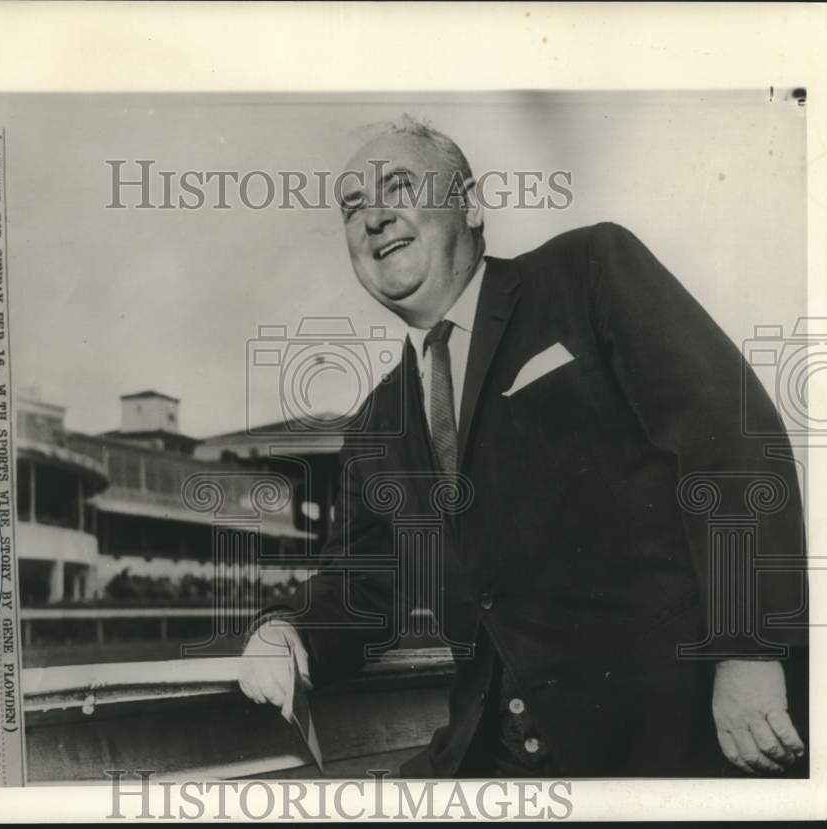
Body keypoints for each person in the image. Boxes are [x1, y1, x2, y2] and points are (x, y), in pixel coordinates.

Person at [237, 116, 808, 777]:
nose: (374, 217)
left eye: (398, 186)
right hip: (497, 757)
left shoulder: (586, 273)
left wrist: (748, 652)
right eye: (352, 207)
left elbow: (730, 444)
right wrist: (285, 628)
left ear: (471, 205)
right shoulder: (377, 423)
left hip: (673, 737)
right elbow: (365, 585)